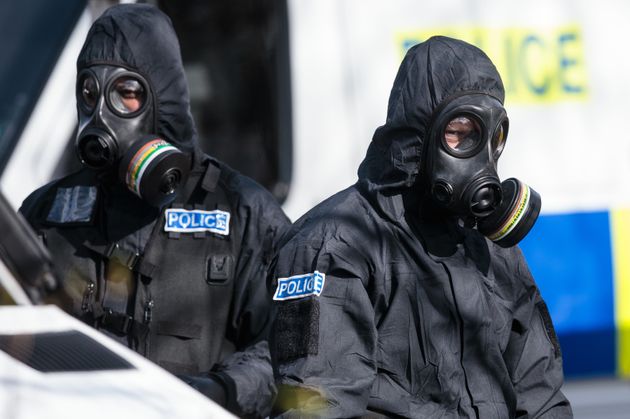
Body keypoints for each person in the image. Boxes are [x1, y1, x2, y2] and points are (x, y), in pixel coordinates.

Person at [269, 36, 572, 418]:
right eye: (460, 134)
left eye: (491, 138)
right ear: (419, 135)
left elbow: (542, 399)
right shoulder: (336, 245)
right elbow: (315, 407)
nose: (481, 158)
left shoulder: (491, 251)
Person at [19, 4, 290, 418]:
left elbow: (289, 348)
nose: (101, 117)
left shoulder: (242, 213)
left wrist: (214, 393)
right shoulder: (48, 214)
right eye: (90, 95)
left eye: (124, 95)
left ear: (163, 101)